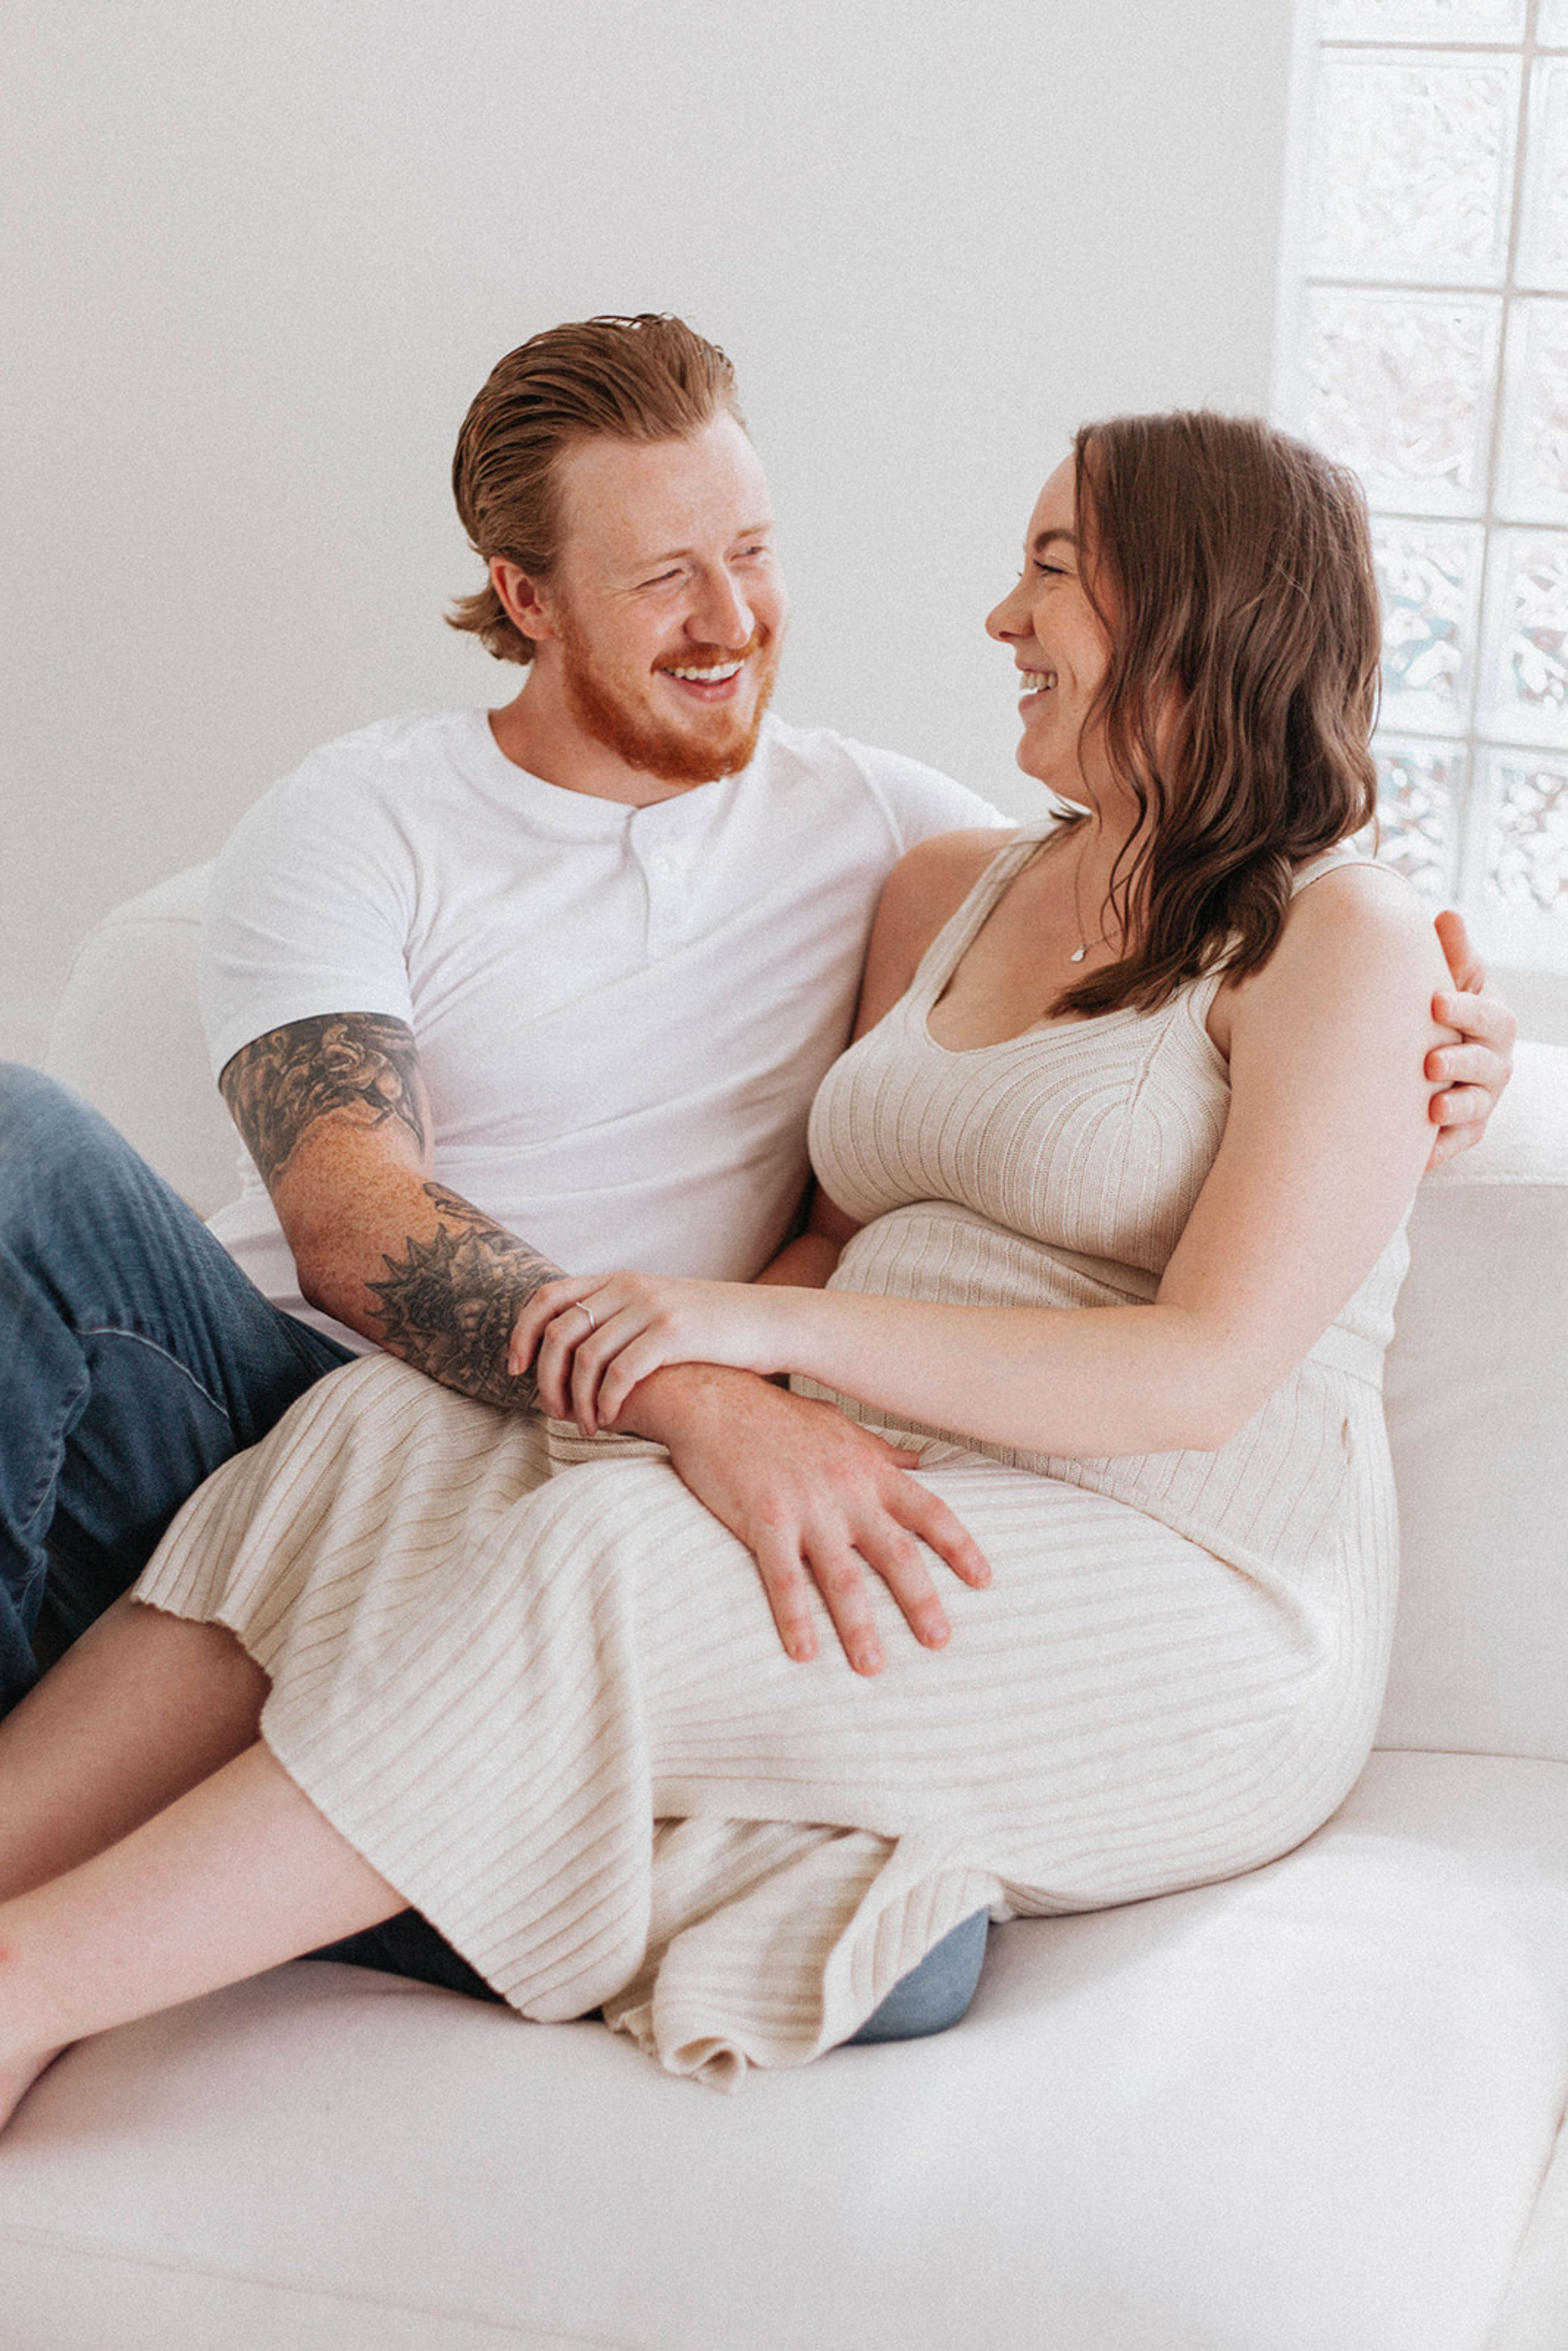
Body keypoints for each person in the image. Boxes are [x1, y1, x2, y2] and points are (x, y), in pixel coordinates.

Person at [0, 409, 1470, 2114]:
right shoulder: (952, 886)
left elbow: (1204, 1375)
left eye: (1054, 573)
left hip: (1181, 1570)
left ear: (1202, 609)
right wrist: (706, 1392)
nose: (999, 619)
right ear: (528, 597)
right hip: (911, 1469)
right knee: (379, 1438)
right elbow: (844, 1231)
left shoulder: (1348, 942)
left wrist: (739, 1334)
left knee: (607, 1560)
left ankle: (32, 1989)